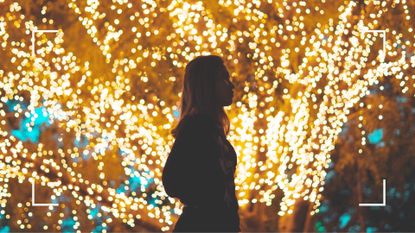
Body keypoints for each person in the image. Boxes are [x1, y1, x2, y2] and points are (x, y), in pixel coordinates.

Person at [162, 55, 240, 232]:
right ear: (207, 85)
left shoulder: (212, 129)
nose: (231, 85)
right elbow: (172, 181)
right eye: (224, 78)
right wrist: (208, 201)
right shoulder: (196, 127)